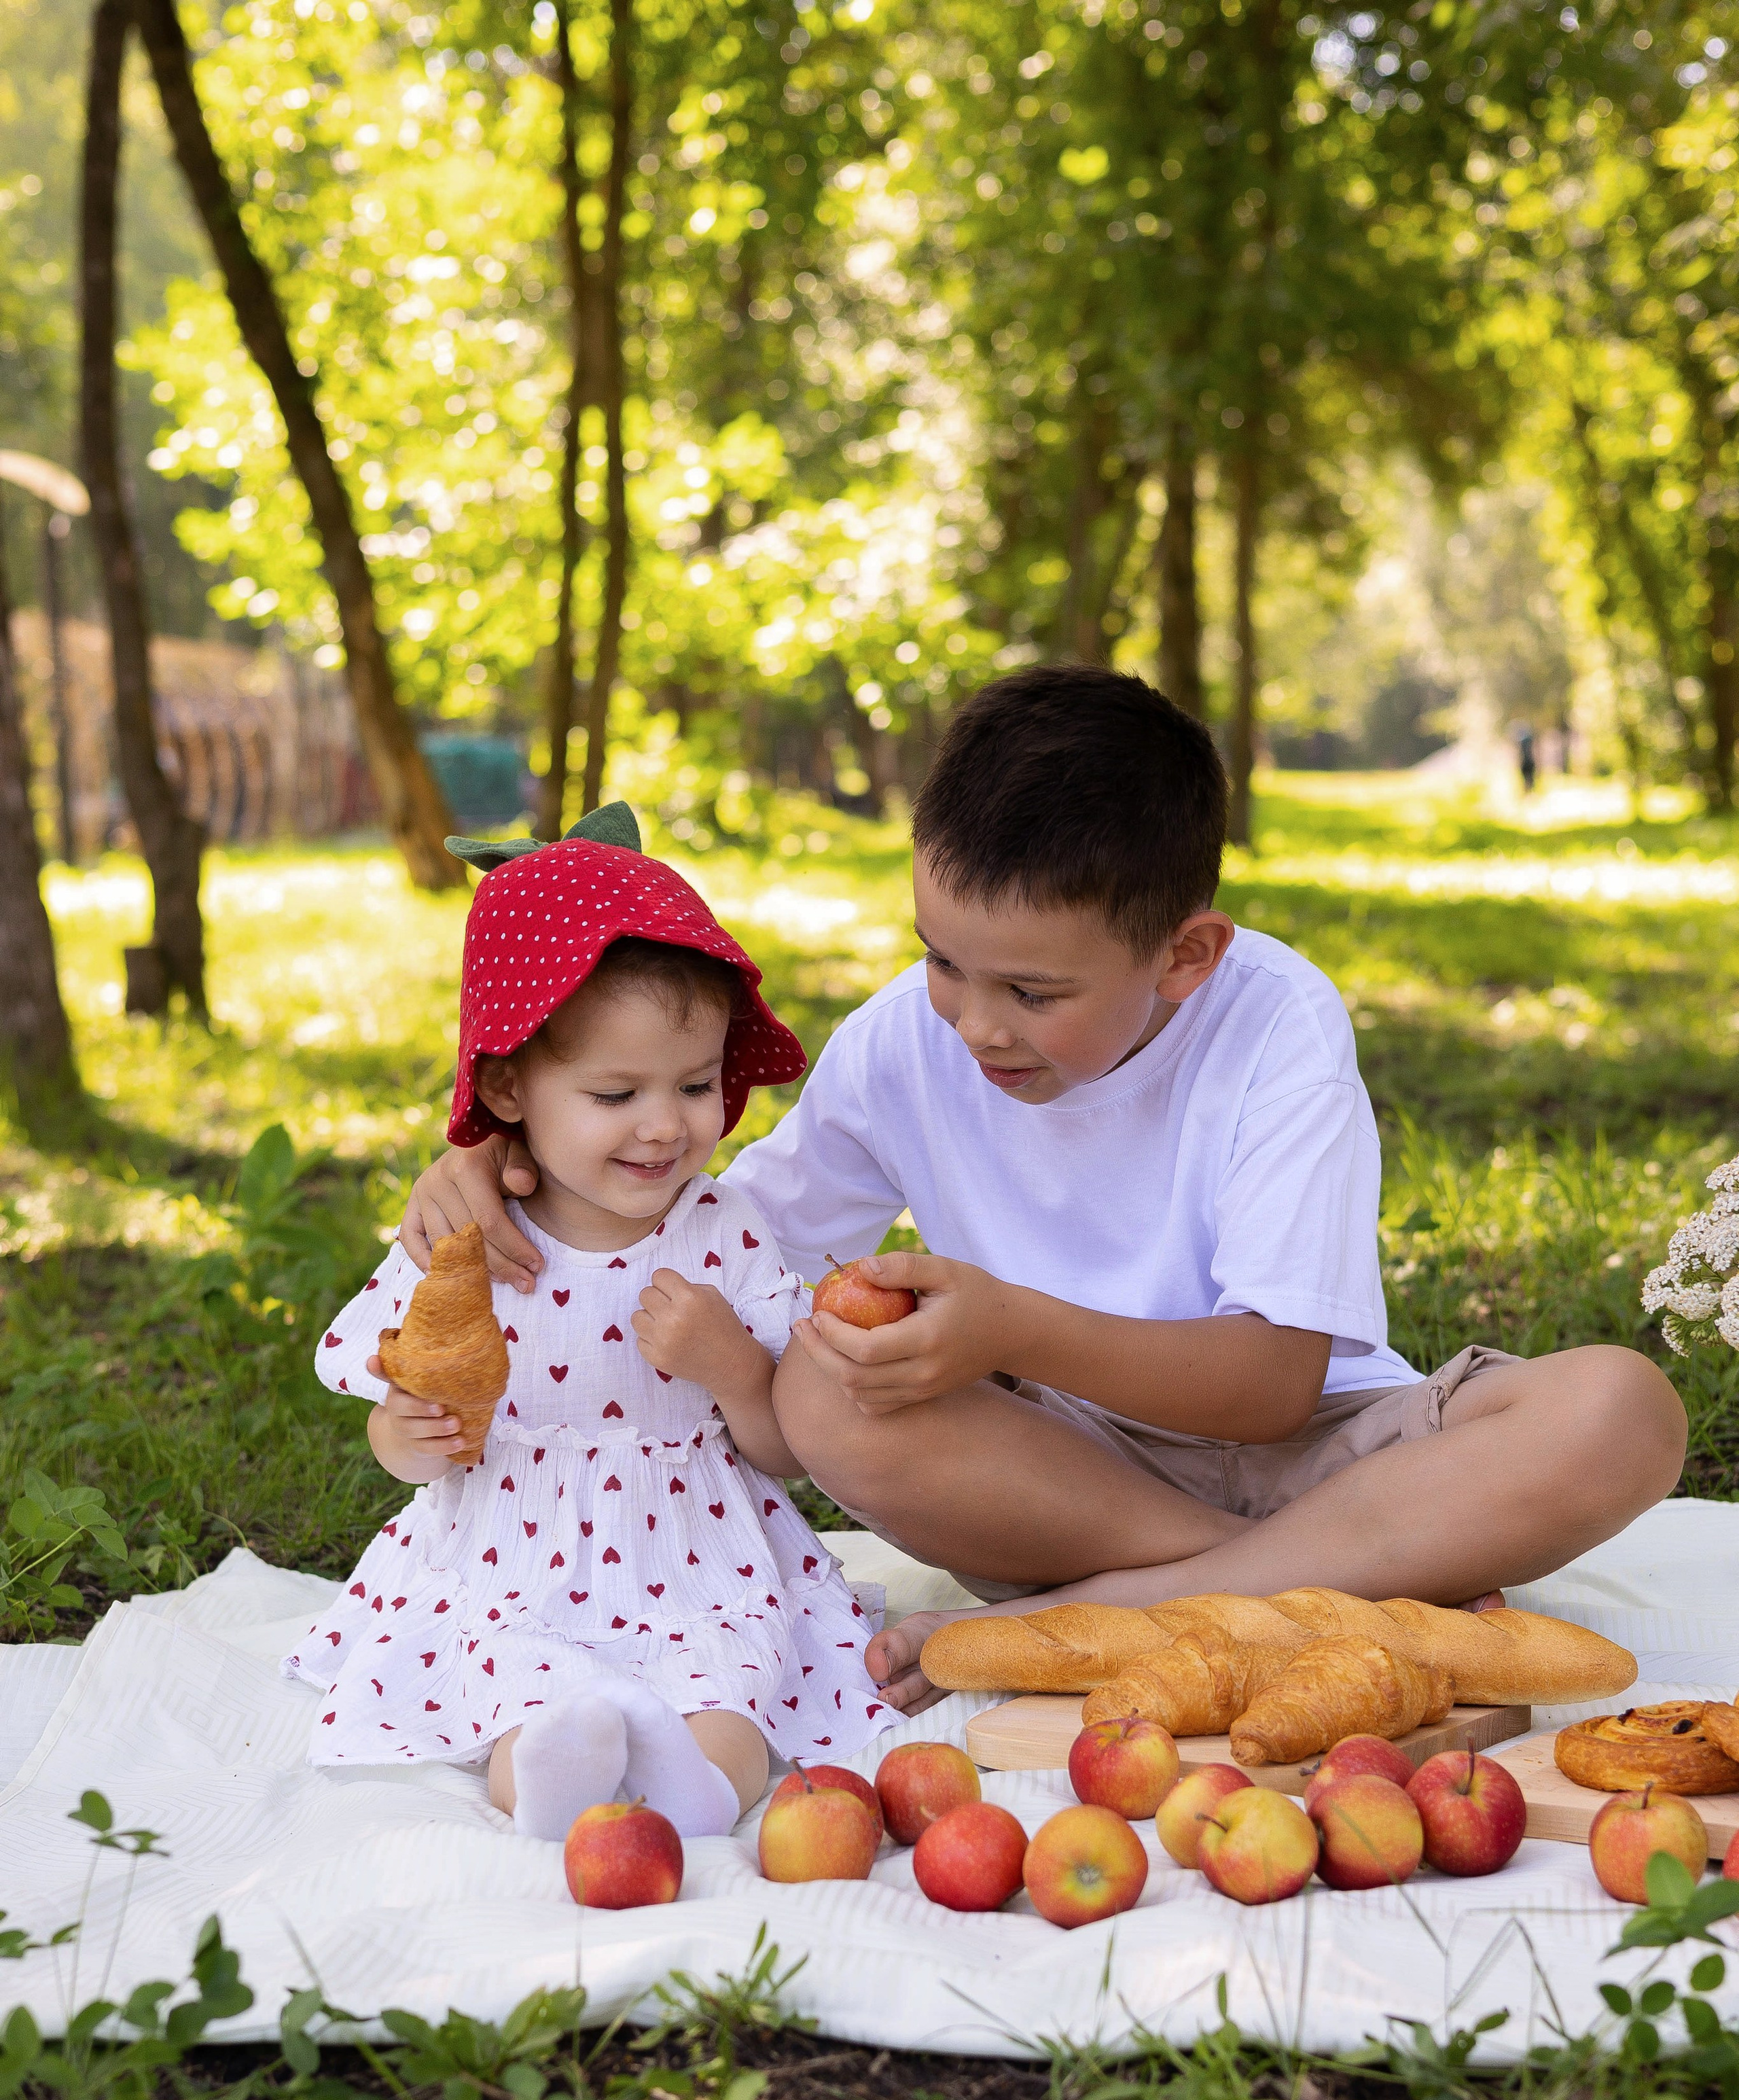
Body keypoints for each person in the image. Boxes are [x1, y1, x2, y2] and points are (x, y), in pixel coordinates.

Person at [401, 671, 1687, 1718]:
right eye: (943, 961)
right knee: (823, 1383)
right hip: (1062, 1486)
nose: (971, 1022)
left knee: (1622, 1409)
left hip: (1328, 1458)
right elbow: (704, 1233)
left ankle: (1122, 1620)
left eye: (1034, 992)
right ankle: (1310, 1593)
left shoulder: (1276, 1024)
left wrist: (1014, 1324)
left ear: (1186, 957)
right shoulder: (908, 1036)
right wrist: (503, 1162)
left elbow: (1276, 1384)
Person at [283, 822, 892, 1835]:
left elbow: (788, 1448)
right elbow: (400, 1423)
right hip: (515, 1563)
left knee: (733, 1695)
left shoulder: (724, 1231)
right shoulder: (468, 1242)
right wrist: (405, 1437)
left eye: (697, 1085)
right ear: (510, 1085)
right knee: (525, 1698)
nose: (667, 1125)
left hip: (700, 1559)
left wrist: (736, 1370)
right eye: (617, 1094)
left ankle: (700, 1789)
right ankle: (554, 1783)